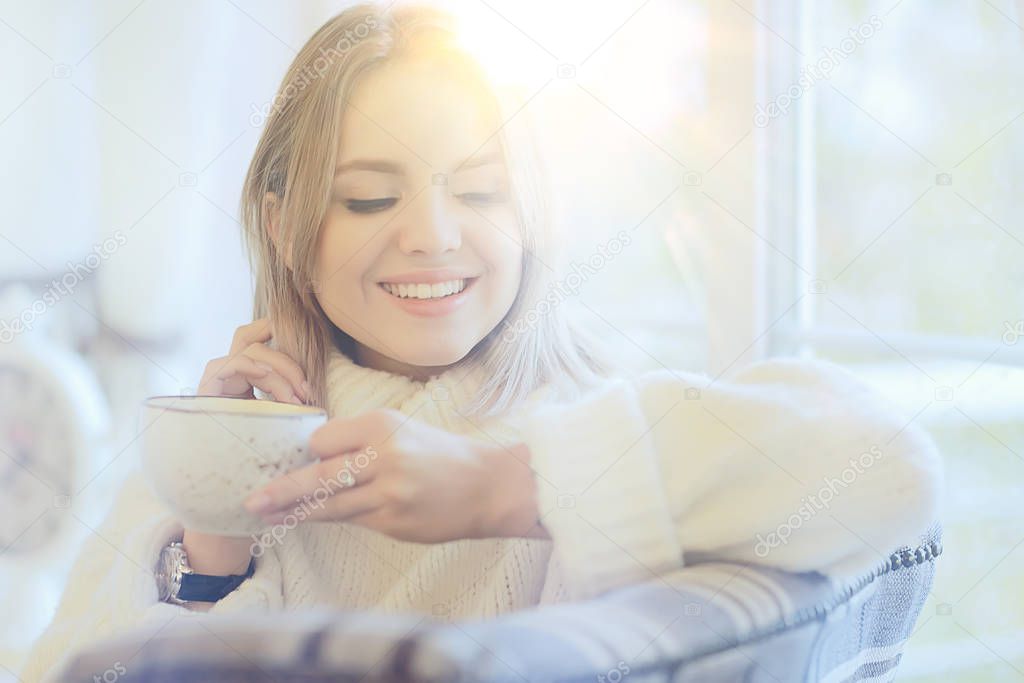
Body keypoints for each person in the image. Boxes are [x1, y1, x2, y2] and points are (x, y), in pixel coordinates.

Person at [20, 4, 941, 681]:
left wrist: (509, 486)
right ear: (285, 217)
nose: (432, 234)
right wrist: (212, 556)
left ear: (531, 209)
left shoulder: (597, 416)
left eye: (481, 190)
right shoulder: (216, 452)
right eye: (369, 196)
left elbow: (894, 468)